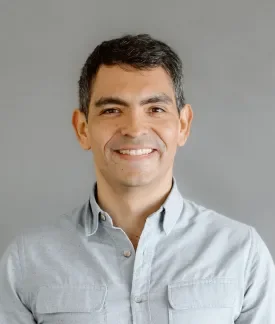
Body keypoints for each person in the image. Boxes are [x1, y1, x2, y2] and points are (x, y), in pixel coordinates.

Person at [0, 34, 274, 324]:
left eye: (155, 109)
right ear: (82, 129)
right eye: (112, 110)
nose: (134, 128)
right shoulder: (26, 261)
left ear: (182, 125)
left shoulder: (242, 252)